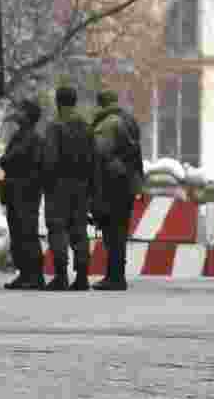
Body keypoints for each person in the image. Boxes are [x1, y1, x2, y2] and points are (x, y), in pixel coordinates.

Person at [41, 86, 96, 291]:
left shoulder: (55, 127)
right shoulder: (86, 126)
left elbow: (49, 159)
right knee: (79, 231)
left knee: (58, 229)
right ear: (75, 101)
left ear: (58, 102)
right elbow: (93, 160)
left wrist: (46, 183)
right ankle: (82, 277)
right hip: (82, 186)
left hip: (58, 186)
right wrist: (91, 188)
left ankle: (61, 277)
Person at [90, 89, 144, 291]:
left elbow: (99, 152)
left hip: (111, 184)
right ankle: (117, 275)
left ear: (100, 103)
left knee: (112, 233)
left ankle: (114, 277)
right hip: (129, 183)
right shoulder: (129, 120)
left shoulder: (108, 123)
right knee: (119, 231)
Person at [0, 99, 47, 290]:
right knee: (18, 234)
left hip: (26, 193)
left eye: (21, 111)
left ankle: (34, 276)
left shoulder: (32, 138)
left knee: (27, 234)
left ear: (28, 116)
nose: (16, 113)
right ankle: (25, 274)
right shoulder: (20, 135)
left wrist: (7, 159)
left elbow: (11, 158)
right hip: (16, 191)